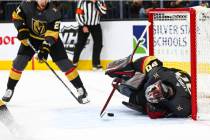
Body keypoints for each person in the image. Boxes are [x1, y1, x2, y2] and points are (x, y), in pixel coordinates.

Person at [1, 0, 89, 104]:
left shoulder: (55, 8)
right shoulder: (26, 4)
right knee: (19, 62)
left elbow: (52, 33)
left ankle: (81, 88)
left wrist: (45, 48)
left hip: (51, 38)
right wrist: (21, 29)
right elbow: (16, 16)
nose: (44, 1)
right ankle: (9, 89)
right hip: (32, 37)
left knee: (64, 64)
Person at [105, 55, 191, 119]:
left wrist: (153, 111)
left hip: (181, 82)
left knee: (131, 94)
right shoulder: (158, 74)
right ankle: (125, 69)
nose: (155, 93)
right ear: (158, 83)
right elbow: (149, 60)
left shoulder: (181, 108)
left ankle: (123, 85)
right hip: (167, 77)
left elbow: (165, 112)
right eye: (157, 91)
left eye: (156, 95)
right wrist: (131, 67)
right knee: (152, 63)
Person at [73, 0, 107, 70]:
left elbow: (104, 11)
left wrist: (96, 3)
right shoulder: (82, 1)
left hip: (96, 25)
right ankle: (74, 62)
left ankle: (95, 64)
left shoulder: (100, 1)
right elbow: (78, 15)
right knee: (80, 44)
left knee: (98, 44)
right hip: (85, 25)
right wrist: (83, 26)